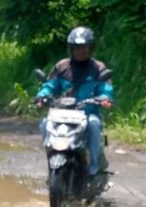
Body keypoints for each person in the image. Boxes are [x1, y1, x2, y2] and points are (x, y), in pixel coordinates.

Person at [35, 26, 114, 177]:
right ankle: (52, 160)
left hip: (87, 113)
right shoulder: (62, 66)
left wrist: (105, 98)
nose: (80, 50)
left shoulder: (98, 68)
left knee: (94, 124)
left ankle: (94, 167)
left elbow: (105, 88)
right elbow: (50, 85)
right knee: (45, 124)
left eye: (84, 47)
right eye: (76, 47)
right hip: (63, 113)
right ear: (71, 48)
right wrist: (42, 96)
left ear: (90, 47)